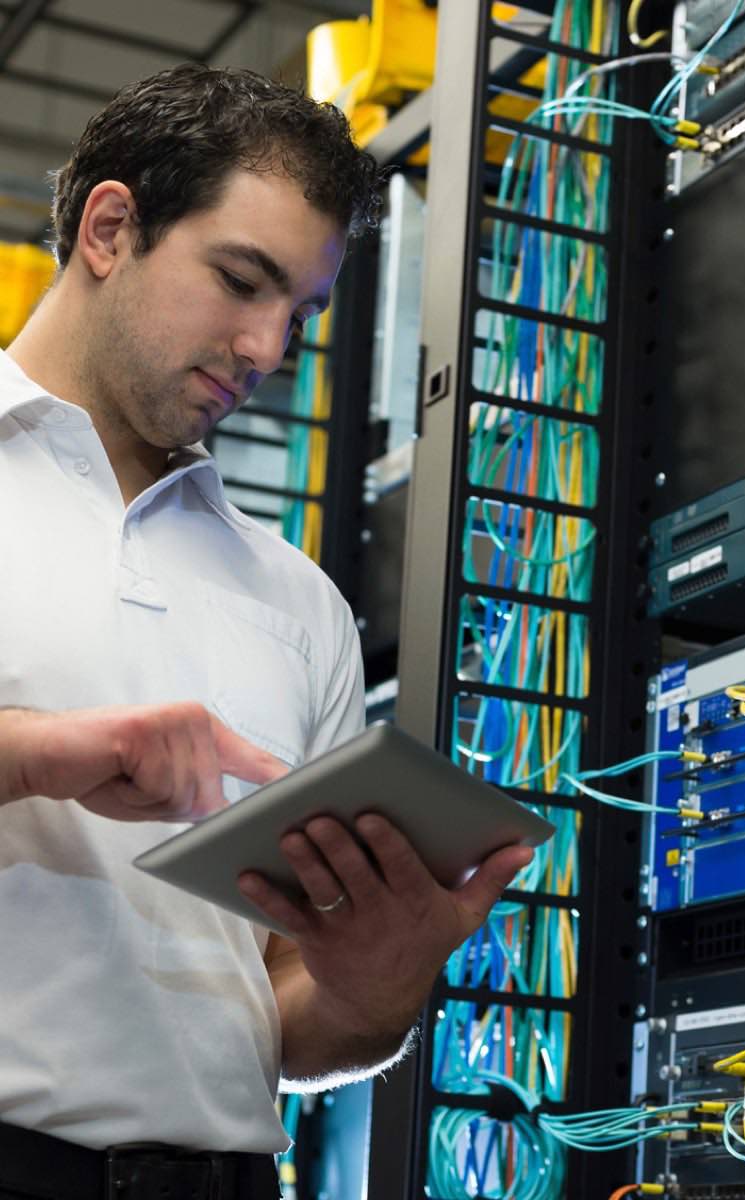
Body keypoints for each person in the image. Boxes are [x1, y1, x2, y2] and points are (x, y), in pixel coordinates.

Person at [0, 63, 534, 1200]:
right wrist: (40, 753)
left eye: (300, 313)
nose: (265, 351)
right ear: (110, 227)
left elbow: (286, 1013)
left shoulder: (298, 605)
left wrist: (372, 989)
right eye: (242, 282)